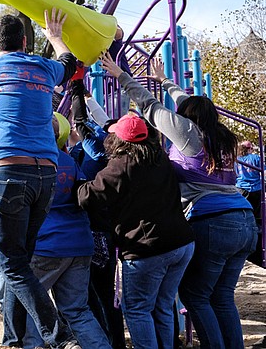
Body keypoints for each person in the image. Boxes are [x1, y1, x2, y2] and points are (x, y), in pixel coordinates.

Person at [100, 52, 257, 349]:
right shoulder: (221, 136)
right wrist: (166, 80)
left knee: (196, 296)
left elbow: (149, 105)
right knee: (222, 297)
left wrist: (121, 75)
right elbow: (187, 102)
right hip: (245, 219)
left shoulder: (187, 133)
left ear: (187, 118)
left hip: (213, 221)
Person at [0, 8, 78, 348]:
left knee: (12, 264)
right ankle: (14, 340)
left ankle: (57, 330)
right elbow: (70, 64)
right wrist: (55, 38)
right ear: (24, 42)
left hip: (8, 173)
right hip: (45, 177)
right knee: (18, 263)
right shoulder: (42, 67)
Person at [78, 113, 195, 349]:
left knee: (137, 310)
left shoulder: (120, 166)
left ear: (118, 140)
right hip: (182, 243)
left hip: (148, 248)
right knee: (162, 306)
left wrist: (73, 183)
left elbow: (87, 196)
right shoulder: (160, 158)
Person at [24, 115, 111, 349]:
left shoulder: (30, 163)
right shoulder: (68, 160)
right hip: (79, 243)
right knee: (77, 310)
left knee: (31, 307)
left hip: (47, 245)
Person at [68, 73, 126, 349]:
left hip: (95, 233)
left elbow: (82, 123)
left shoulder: (99, 151)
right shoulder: (114, 149)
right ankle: (111, 341)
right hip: (101, 230)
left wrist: (77, 87)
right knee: (102, 295)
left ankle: (105, 342)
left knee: (95, 295)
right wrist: (85, 97)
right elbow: (97, 121)